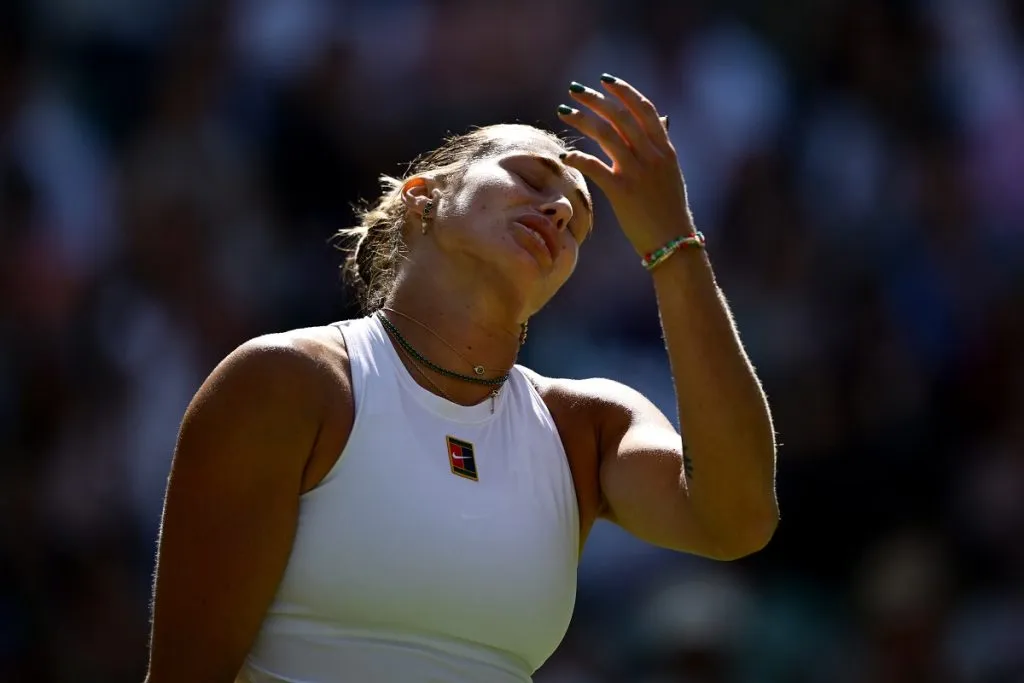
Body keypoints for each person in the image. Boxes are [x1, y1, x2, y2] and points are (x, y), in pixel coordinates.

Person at [144, 75, 779, 683]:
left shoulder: (586, 426)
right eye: (530, 177)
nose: (558, 208)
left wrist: (672, 244)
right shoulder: (288, 382)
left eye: (580, 221)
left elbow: (738, 520)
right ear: (424, 197)